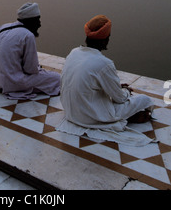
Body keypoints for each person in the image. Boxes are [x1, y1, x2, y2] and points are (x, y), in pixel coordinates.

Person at [57, 15, 154, 145]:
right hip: (90, 117)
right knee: (145, 100)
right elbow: (119, 98)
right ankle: (125, 118)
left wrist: (117, 87)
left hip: (71, 113)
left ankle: (124, 117)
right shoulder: (104, 63)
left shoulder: (74, 52)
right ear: (105, 40)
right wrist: (125, 91)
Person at [0, 2, 61, 99]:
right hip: (12, 82)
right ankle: (13, 86)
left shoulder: (4, 27)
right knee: (56, 78)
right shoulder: (28, 35)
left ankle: (5, 80)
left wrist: (1, 67)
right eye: (38, 20)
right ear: (31, 21)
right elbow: (30, 69)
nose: (39, 24)